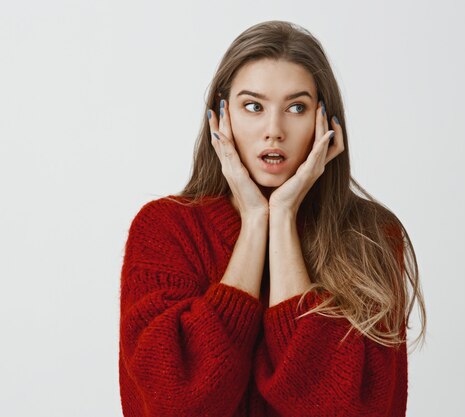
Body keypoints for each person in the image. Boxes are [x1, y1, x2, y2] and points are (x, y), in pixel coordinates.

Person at [118, 20, 426, 417]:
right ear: (220, 118)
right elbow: (177, 405)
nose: (274, 130)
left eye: (296, 108)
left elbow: (340, 409)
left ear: (325, 122)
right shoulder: (165, 229)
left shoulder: (371, 236)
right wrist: (253, 223)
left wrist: (281, 217)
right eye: (253, 106)